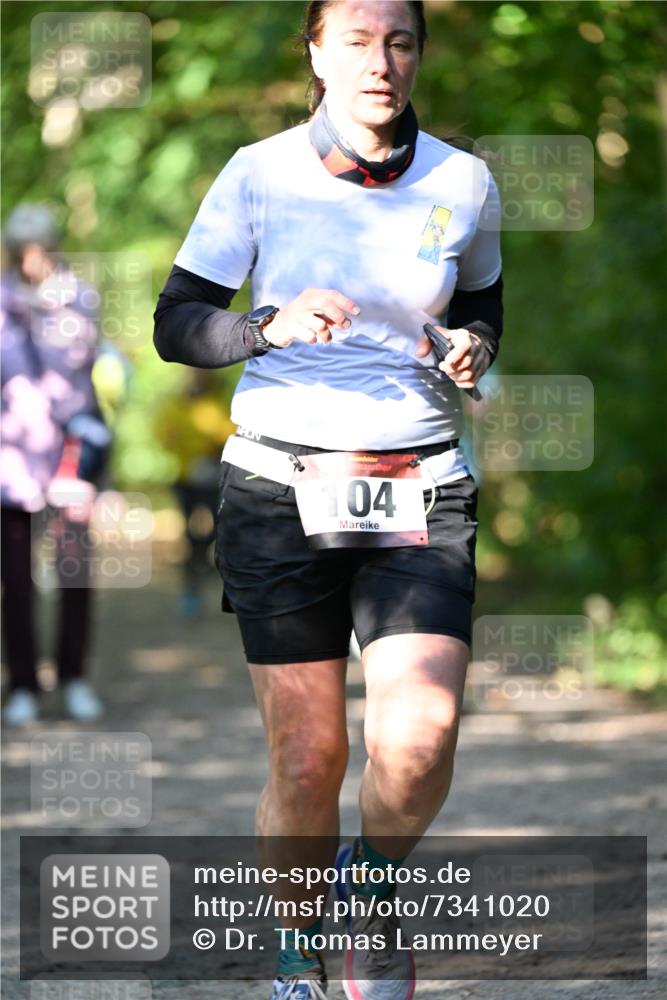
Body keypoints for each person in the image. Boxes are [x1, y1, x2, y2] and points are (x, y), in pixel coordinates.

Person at [154, 2, 503, 997]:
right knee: (308, 757)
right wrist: (265, 324)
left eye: (397, 41)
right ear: (315, 53)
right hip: (280, 480)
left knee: (420, 734)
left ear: (417, 55)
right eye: (354, 40)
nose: (379, 62)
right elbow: (178, 322)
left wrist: (476, 343)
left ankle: (374, 887)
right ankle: (299, 952)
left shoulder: (463, 179)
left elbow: (479, 298)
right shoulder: (258, 174)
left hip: (420, 481)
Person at [1, 204, 109, 725]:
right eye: (22, 253)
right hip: (11, 460)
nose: (31, 262)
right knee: (14, 580)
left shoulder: (79, 297)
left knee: (73, 574)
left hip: (70, 456)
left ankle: (74, 677)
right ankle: (22, 683)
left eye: (39, 250)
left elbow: (81, 370)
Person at [154, 369, 236, 618]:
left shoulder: (219, 401)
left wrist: (211, 445)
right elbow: (165, 435)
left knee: (216, 530)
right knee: (190, 534)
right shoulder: (176, 404)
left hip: (214, 479)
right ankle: (191, 587)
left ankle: (211, 571)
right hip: (185, 478)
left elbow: (229, 432)